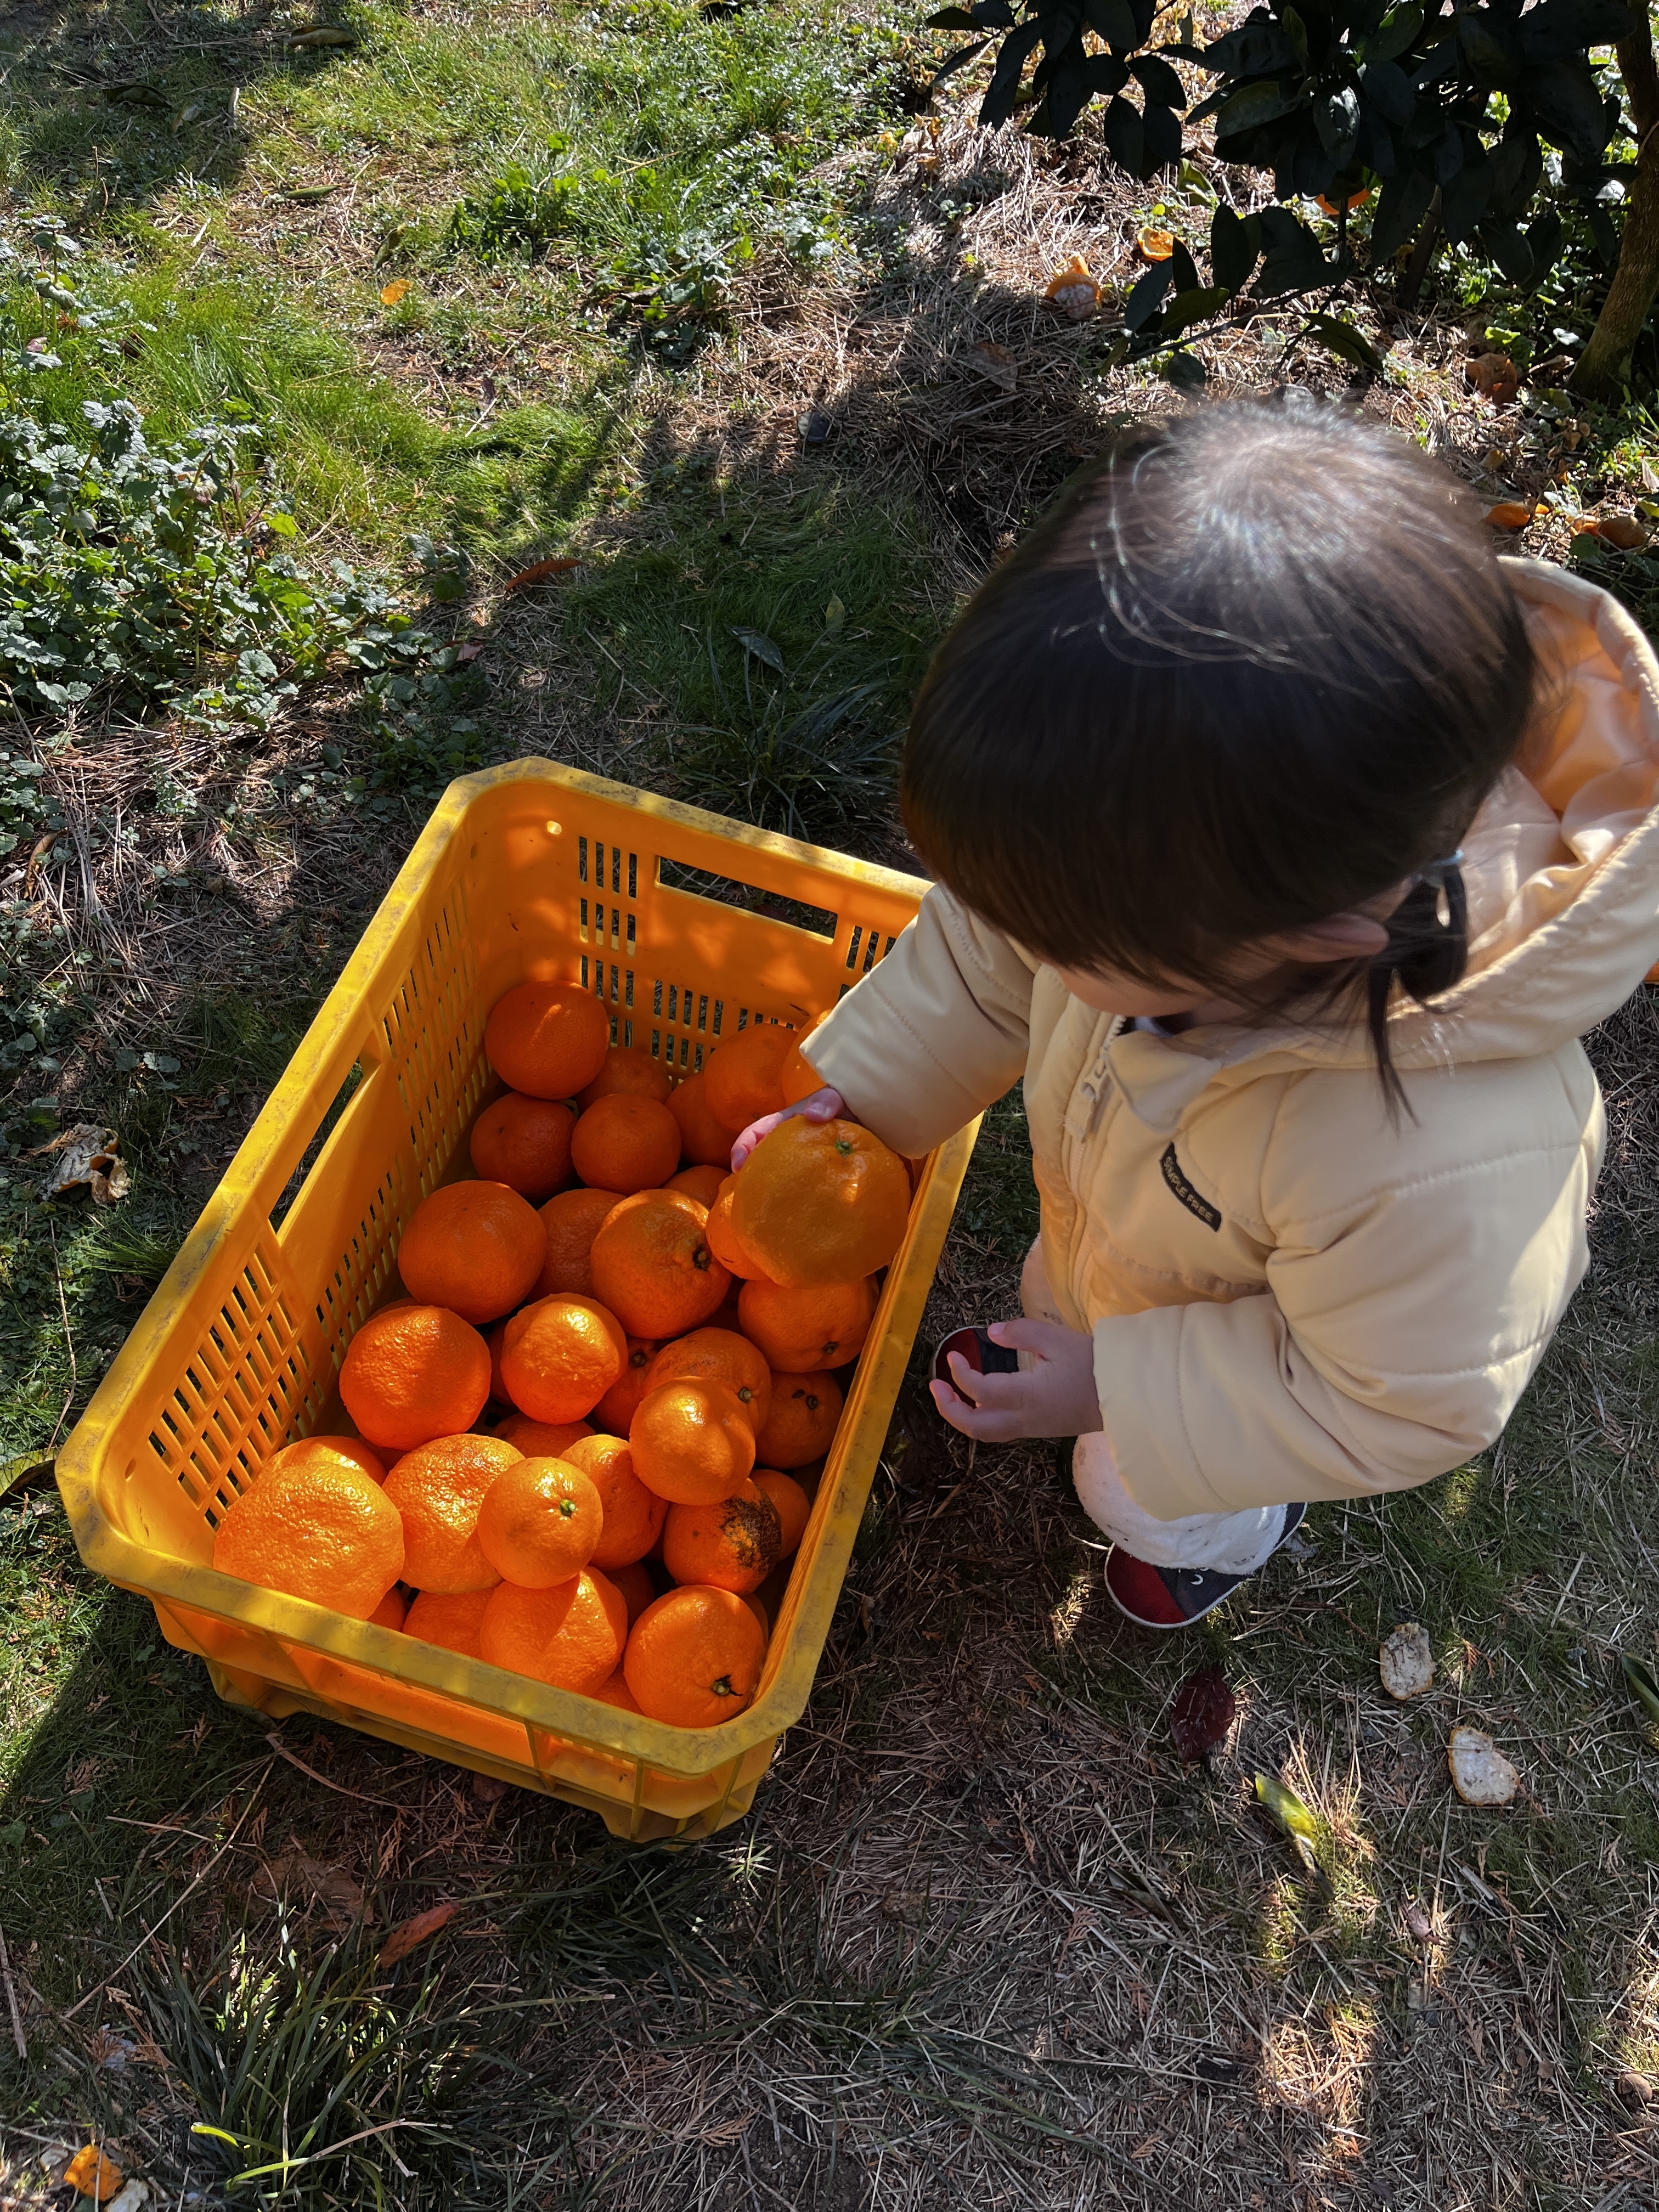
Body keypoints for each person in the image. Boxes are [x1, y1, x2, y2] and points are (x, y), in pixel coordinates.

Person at [732, 399, 1659, 1629]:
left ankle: (1214, 1537)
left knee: (1137, 1483)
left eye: (1067, 943)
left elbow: (1395, 1398)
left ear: (1313, 944)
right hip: (1121, 1245)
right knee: (1078, 1303)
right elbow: (985, 952)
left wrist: (1121, 1389)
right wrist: (871, 1103)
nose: (1033, 946)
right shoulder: (1169, 889)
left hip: (1250, 1376)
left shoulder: (1444, 1154)